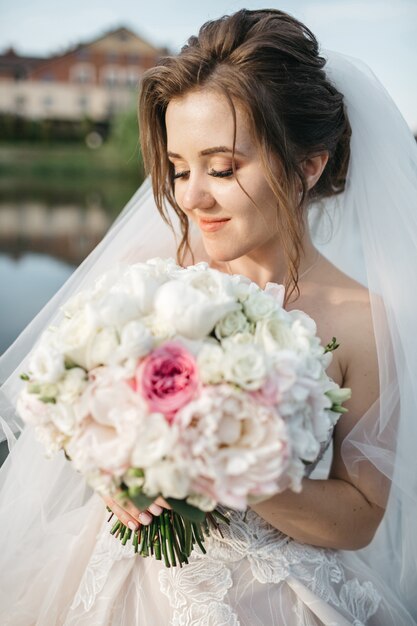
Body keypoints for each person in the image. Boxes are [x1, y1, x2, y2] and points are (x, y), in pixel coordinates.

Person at [0, 8, 416, 625]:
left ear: (309, 164)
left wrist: (239, 473)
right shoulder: (148, 280)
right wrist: (118, 468)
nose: (191, 197)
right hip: (112, 582)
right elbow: (76, 425)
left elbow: (359, 514)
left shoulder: (362, 321)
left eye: (222, 169)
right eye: (178, 169)